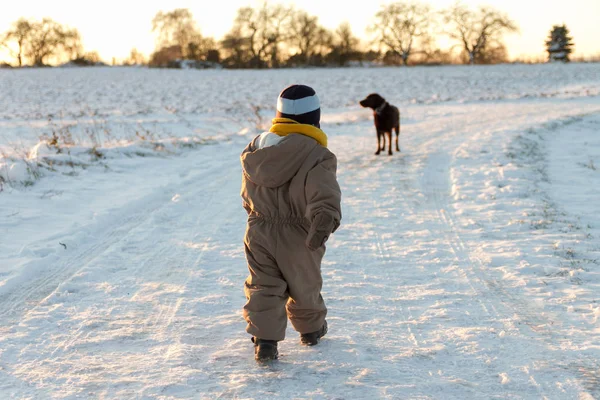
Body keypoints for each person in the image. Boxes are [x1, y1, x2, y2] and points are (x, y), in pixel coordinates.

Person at [239, 84, 342, 362]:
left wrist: (256, 213)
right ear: (315, 118)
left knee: (263, 284)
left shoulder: (257, 149)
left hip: (258, 229)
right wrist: (323, 221)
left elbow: (247, 195)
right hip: (299, 232)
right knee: (304, 283)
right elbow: (324, 195)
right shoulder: (317, 155)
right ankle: (311, 330)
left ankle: (265, 341)